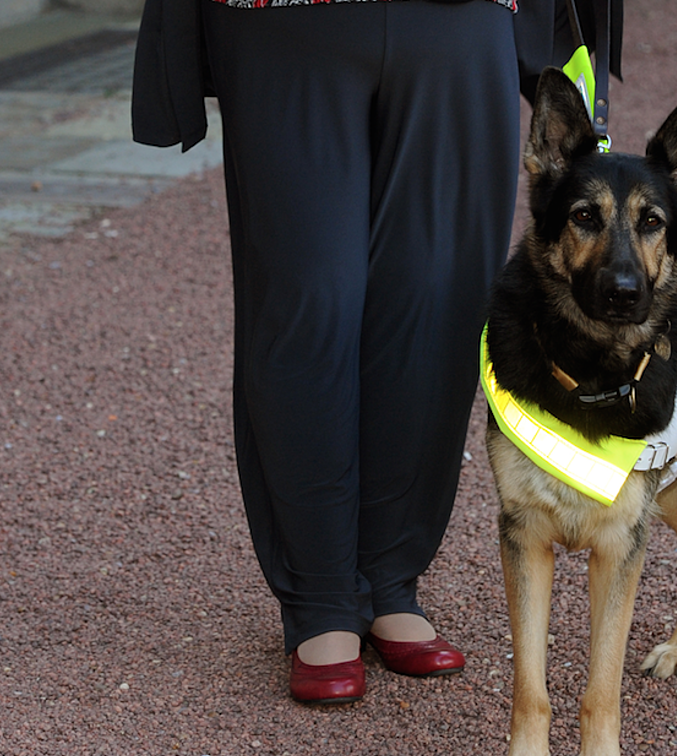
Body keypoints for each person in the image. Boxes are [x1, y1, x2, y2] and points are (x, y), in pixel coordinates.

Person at [132, 0, 614, 705]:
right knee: (307, 299)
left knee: (438, 299)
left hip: (464, 14)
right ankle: (321, 595)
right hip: (284, 18)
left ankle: (391, 576)